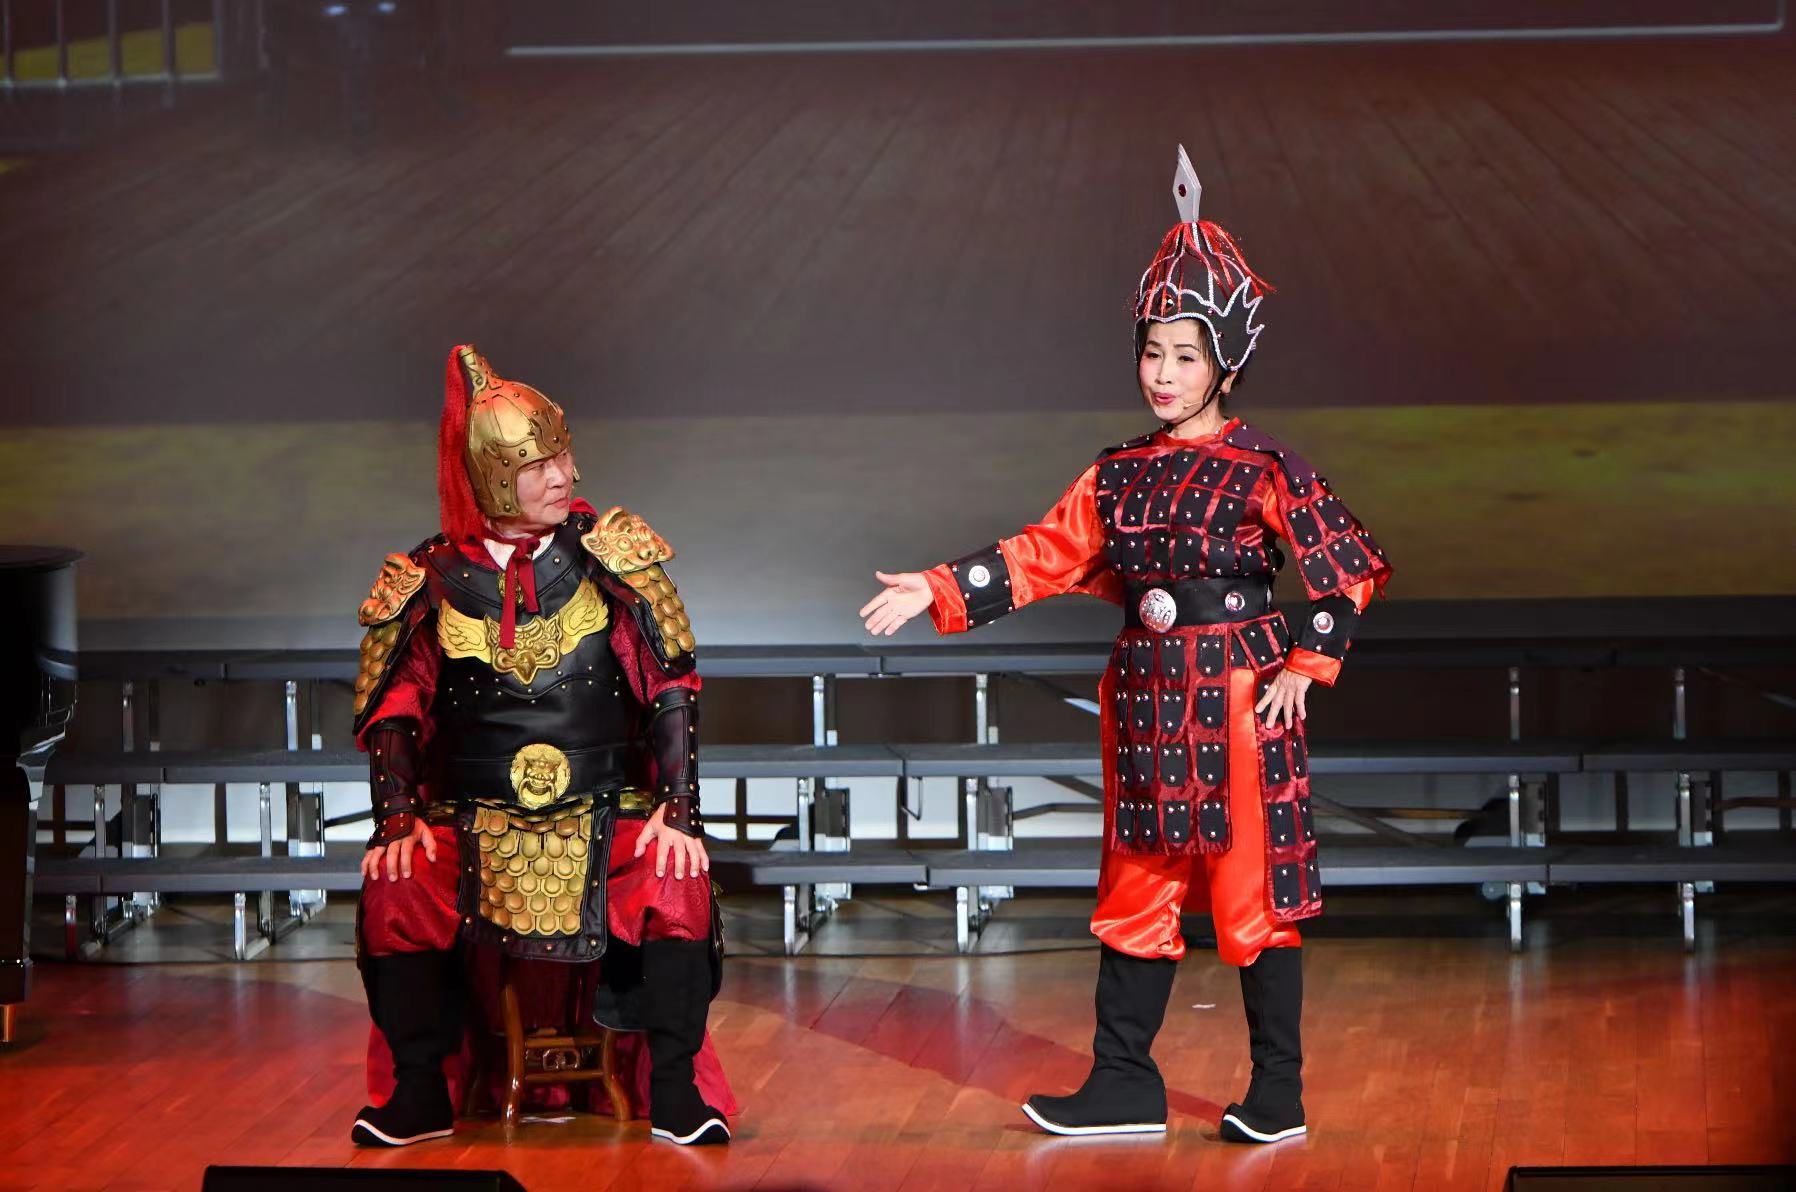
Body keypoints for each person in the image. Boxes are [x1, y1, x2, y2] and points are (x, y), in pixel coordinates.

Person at [860, 148, 1390, 1144]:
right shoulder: (1116, 474)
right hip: (1146, 697)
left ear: (1224, 363)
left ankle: (1276, 1094)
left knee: (1250, 895)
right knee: (1135, 885)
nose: (1163, 373)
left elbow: (1347, 566)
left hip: (1238, 701)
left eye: (1184, 355)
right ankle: (1122, 1084)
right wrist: (937, 585)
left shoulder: (1264, 465)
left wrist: (1304, 664)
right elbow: (1042, 553)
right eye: (1152, 352)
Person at [349, 344, 733, 1147]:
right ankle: (419, 1093)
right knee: (398, 883)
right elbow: (393, 704)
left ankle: (675, 1091)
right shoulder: (427, 577)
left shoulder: (612, 561)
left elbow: (670, 685)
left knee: (677, 880)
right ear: (492, 478)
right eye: (540, 465)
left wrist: (678, 809)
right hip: (471, 816)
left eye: (563, 455)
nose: (566, 475)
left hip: (603, 808)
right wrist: (396, 816)